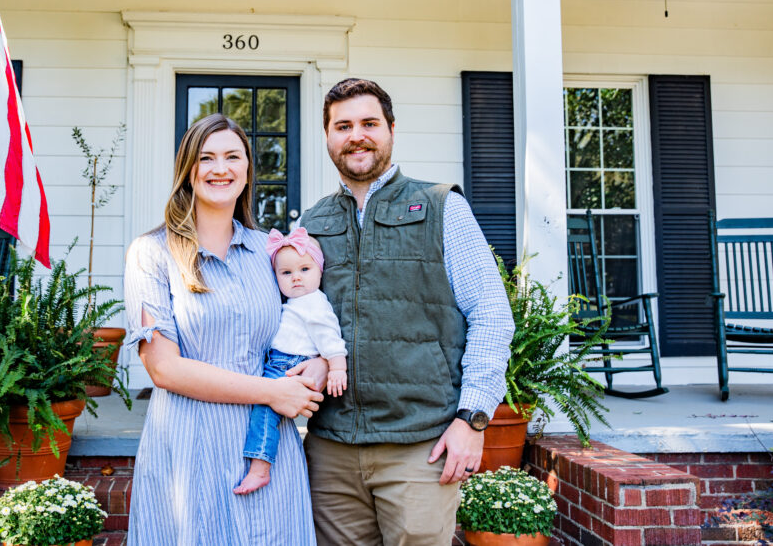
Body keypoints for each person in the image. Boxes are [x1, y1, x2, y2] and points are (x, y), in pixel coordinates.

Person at [292, 77, 515, 546]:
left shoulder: (442, 206)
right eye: (343, 126)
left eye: (369, 123)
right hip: (330, 450)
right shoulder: (312, 223)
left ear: (391, 130)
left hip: (420, 447)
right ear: (328, 136)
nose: (357, 136)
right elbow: (296, 320)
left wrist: (472, 420)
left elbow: (491, 314)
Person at [123, 113, 325, 545]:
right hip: (188, 446)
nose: (220, 168)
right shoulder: (151, 253)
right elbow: (164, 369)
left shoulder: (268, 252)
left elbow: (302, 323)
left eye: (233, 156)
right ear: (188, 170)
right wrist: (274, 392)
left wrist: (320, 365)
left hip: (266, 447)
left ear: (248, 169)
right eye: (206, 158)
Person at [234, 228, 348, 495]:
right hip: (279, 360)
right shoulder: (298, 301)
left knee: (265, 412)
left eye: (305, 269)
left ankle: (260, 467)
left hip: (290, 364)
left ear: (320, 271)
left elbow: (330, 337)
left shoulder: (314, 303)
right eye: (286, 273)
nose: (296, 277)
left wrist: (337, 367)